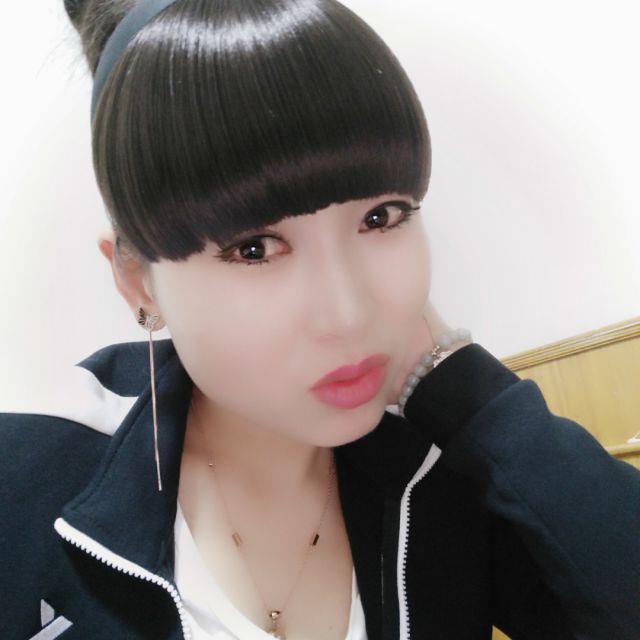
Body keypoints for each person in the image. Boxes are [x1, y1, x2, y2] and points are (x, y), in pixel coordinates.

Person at [1, 0, 639, 638]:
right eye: (255, 249)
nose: (349, 313)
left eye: (381, 217)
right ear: (138, 280)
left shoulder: (452, 469)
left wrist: (463, 387)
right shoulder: (27, 473)